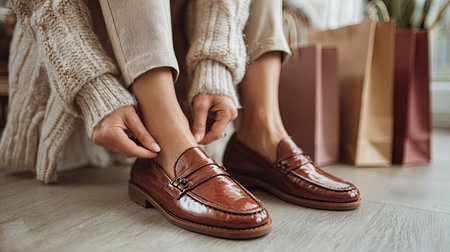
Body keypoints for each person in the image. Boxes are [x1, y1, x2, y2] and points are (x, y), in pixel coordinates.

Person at [1, 0, 360, 239]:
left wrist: (215, 65)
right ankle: (168, 142)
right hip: (86, 50)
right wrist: (93, 85)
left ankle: (261, 131)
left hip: (181, 60)